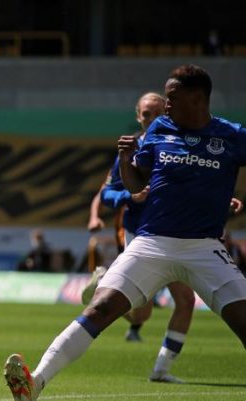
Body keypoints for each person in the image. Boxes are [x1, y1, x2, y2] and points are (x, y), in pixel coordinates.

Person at [4, 64, 246, 401]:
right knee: (99, 308)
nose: (166, 105)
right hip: (151, 243)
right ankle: (34, 384)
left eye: (173, 98)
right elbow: (135, 186)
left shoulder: (232, 136)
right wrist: (125, 158)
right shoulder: (161, 129)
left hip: (204, 247)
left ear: (198, 99)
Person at [82, 92, 197, 383]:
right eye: (146, 114)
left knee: (185, 300)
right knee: (141, 314)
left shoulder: (181, 144)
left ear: (167, 114)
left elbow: (198, 185)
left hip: (174, 233)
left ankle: (161, 369)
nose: (151, 118)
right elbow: (106, 193)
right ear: (138, 116)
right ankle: (105, 289)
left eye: (158, 112)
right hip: (141, 236)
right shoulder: (131, 148)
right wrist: (130, 195)